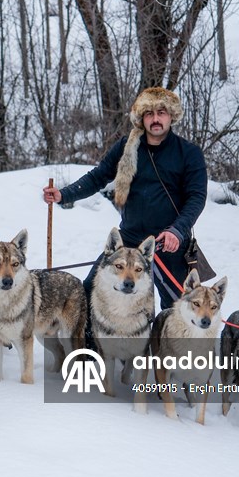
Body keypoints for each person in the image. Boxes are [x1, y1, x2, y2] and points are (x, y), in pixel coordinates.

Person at [42, 87, 207, 311]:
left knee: (179, 310)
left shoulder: (188, 152)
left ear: (171, 116)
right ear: (141, 118)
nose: (155, 119)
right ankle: (90, 335)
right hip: (130, 239)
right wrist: (64, 194)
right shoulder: (126, 147)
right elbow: (99, 176)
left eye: (161, 112)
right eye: (149, 113)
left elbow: (197, 197)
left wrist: (177, 231)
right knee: (90, 291)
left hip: (169, 243)